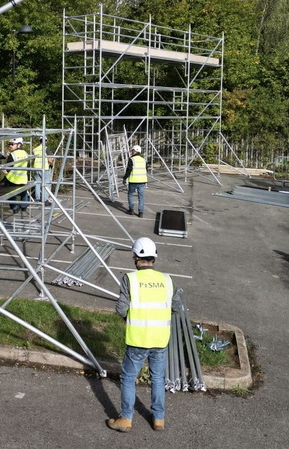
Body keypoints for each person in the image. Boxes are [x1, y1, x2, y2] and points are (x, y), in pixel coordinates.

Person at [107, 237, 178, 433]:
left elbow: (121, 308)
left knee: (129, 378)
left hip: (138, 339)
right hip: (160, 339)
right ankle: (158, 419)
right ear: (153, 258)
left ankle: (126, 419)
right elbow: (177, 307)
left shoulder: (130, 279)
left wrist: (132, 318)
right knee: (157, 378)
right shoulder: (167, 280)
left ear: (137, 258)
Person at [0, 137, 29, 214]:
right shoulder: (25, 153)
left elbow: (5, 171)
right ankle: (24, 205)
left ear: (19, 145)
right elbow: (13, 157)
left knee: (7, 190)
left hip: (13, 180)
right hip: (23, 180)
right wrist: (1, 154)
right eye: (9, 144)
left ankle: (14, 207)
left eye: (12, 144)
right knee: (23, 190)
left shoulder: (12, 155)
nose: (10, 146)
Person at [123, 144, 147, 217]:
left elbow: (129, 170)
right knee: (141, 197)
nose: (132, 152)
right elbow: (146, 170)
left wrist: (124, 178)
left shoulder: (132, 159)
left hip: (133, 181)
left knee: (130, 194)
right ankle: (141, 212)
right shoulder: (143, 160)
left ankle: (131, 210)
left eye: (133, 150)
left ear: (136, 151)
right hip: (142, 181)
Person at [32, 136, 54, 206]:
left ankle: (37, 199)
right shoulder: (46, 149)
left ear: (40, 141)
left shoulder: (35, 149)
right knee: (46, 184)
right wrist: (52, 164)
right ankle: (44, 200)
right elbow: (50, 160)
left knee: (38, 184)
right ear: (46, 141)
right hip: (44, 168)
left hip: (36, 168)